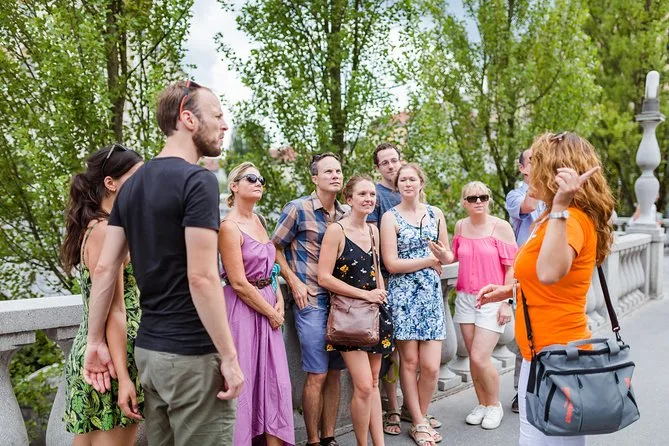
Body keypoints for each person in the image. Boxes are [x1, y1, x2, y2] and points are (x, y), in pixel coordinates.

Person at [82, 80, 244, 445]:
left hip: (150, 354)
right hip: (193, 356)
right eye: (217, 115)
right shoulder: (198, 180)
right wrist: (229, 356)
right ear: (188, 118)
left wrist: (94, 342)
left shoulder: (132, 186)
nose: (224, 125)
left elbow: (105, 270)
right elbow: (202, 277)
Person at [477, 131, 615, 445]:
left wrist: (561, 206)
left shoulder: (570, 219)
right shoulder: (552, 218)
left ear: (555, 173)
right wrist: (510, 291)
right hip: (541, 354)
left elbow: (551, 273)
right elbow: (547, 280)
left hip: (559, 356)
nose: (527, 172)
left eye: (535, 163)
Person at [61, 145, 143, 445]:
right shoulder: (107, 230)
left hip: (100, 351)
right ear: (111, 182)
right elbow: (115, 311)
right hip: (112, 357)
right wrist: (124, 377)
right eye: (136, 177)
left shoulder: (96, 226)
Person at [272, 153, 347, 446]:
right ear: (315, 178)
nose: (335, 175)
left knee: (335, 373)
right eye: (328, 171)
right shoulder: (298, 209)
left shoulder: (346, 214)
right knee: (317, 373)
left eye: (338, 171)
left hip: (341, 304)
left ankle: (329, 437)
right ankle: (313, 440)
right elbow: (274, 247)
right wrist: (293, 281)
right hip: (311, 302)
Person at [219, 162, 295, 445]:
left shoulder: (260, 221)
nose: (258, 182)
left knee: (275, 382)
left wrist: (279, 299)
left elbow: (271, 269)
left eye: (260, 178)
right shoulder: (228, 227)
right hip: (243, 311)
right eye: (250, 178)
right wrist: (271, 312)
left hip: (268, 304)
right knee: (246, 382)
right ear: (234, 186)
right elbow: (238, 282)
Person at [380, 163, 454, 446]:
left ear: (421, 183)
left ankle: (417, 415)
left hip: (431, 295)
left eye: (412, 179)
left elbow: (448, 257)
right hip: (403, 295)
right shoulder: (390, 217)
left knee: (431, 367)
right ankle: (420, 423)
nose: (407, 183)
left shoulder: (436, 214)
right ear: (397, 185)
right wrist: (429, 260)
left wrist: (441, 256)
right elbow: (391, 264)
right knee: (409, 362)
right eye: (403, 180)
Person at [318, 175, 394, 446]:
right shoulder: (336, 231)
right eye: (362, 194)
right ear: (349, 199)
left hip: (374, 315)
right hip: (349, 317)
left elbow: (376, 269)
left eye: (372, 194)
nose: (369, 199)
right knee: (362, 385)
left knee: (373, 383)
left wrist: (380, 294)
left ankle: (379, 444)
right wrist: (365, 295)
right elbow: (324, 277)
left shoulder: (373, 230)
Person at [452, 181, 517, 430]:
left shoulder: (501, 227)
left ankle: (494, 405)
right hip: (465, 298)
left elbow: (511, 268)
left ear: (488, 199)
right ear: (464, 203)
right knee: (473, 357)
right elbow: (453, 256)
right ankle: (482, 403)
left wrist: (506, 302)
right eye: (472, 198)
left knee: (481, 357)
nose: (478, 201)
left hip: (492, 298)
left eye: (483, 197)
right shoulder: (460, 226)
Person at [504, 148, 545, 413]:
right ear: (522, 168)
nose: (537, 164)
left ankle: (546, 387)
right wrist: (539, 179)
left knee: (546, 333)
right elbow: (528, 207)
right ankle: (523, 391)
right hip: (525, 274)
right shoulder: (516, 195)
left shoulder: (552, 194)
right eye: (532, 161)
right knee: (525, 334)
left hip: (549, 272)